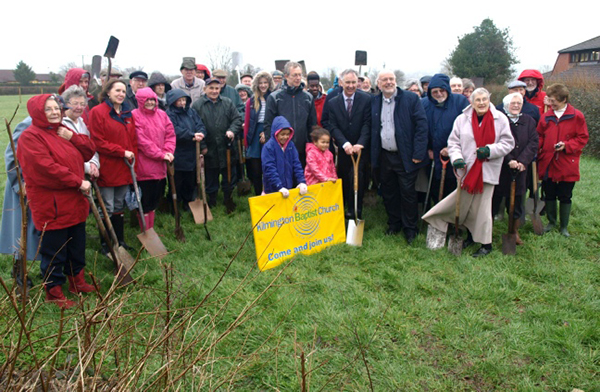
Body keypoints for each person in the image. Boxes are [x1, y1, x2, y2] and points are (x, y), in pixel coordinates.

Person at [17, 94, 96, 308]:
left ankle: (77, 282)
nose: (54, 112)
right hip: (52, 205)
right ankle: (54, 291)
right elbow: (46, 169)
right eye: (48, 109)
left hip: (75, 202)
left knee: (76, 245)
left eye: (56, 108)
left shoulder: (62, 131)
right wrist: (77, 181)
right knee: (55, 251)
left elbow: (89, 151)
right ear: (37, 113)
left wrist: (72, 137)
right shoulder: (30, 138)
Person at [423, 88, 514, 257]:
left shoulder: (499, 119)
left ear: (489, 100)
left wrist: (489, 150)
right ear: (471, 102)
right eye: (477, 100)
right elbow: (454, 142)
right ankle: (468, 235)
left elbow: (508, 143)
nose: (481, 103)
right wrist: (456, 158)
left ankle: (486, 245)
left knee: (483, 209)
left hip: (486, 171)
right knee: (465, 206)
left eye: (484, 99)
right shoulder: (462, 119)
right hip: (466, 171)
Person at [371, 70, 429, 243]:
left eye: (391, 79)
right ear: (379, 84)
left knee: (408, 193)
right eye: (384, 80)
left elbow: (421, 126)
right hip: (385, 155)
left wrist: (418, 152)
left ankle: (410, 229)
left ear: (396, 81)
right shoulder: (375, 101)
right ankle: (394, 224)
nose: (388, 82)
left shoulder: (410, 99)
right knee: (389, 192)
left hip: (405, 155)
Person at [88, 79, 138, 254]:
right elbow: (98, 142)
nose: (121, 94)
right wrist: (121, 151)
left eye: (124, 91)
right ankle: (107, 243)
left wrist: (133, 162)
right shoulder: (98, 112)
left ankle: (120, 241)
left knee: (119, 205)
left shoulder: (127, 113)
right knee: (107, 205)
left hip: (125, 167)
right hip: (108, 167)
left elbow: (133, 141)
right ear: (108, 92)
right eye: (117, 90)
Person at [537, 83, 589, 236]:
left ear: (564, 99)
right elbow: (539, 135)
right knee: (549, 193)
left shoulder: (577, 116)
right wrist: (538, 149)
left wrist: (567, 145)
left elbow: (582, 137)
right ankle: (551, 222)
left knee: (565, 195)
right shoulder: (546, 116)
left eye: (554, 101)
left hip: (567, 162)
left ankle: (563, 227)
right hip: (548, 161)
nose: (551, 104)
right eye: (550, 100)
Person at [491, 93, 538, 244]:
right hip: (501, 168)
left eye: (519, 103)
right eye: (513, 103)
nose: (516, 105)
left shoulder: (528, 121)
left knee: (517, 201)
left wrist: (523, 161)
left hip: (521, 169)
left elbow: (533, 142)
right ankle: (487, 230)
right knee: (494, 199)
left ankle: (513, 232)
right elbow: (496, 141)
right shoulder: (499, 120)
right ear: (506, 106)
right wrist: (509, 160)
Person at [327, 69, 371, 220]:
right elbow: (332, 125)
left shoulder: (366, 99)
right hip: (344, 148)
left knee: (357, 178)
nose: (351, 86)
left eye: (354, 82)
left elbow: (368, 123)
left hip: (360, 149)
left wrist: (360, 144)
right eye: (348, 82)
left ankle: (356, 212)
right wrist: (344, 143)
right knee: (345, 179)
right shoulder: (333, 102)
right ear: (341, 83)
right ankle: (345, 210)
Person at [0, 116, 39, 290]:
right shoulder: (28, 123)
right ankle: (19, 272)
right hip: (23, 185)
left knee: (37, 229)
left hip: (41, 184)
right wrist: (19, 182)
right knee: (21, 228)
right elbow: (11, 154)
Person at [192, 78, 243, 209]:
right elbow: (195, 126)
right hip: (209, 147)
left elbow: (237, 119)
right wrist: (202, 146)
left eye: (217, 88)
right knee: (211, 175)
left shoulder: (227, 102)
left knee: (228, 174)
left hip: (227, 146)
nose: (214, 91)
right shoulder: (198, 106)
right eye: (211, 88)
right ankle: (212, 199)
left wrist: (232, 131)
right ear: (205, 89)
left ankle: (228, 197)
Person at [131, 87, 176, 230]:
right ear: (140, 101)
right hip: (145, 167)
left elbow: (170, 134)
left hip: (161, 166)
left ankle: (151, 229)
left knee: (156, 198)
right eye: (147, 100)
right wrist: (160, 154)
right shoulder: (134, 116)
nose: (150, 103)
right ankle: (146, 230)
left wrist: (168, 151)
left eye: (152, 100)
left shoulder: (162, 115)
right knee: (145, 201)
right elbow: (141, 141)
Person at [421, 74, 470, 202]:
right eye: (435, 91)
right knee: (434, 188)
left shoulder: (460, 101)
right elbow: (419, 128)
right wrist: (427, 149)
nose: (438, 94)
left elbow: (467, 128)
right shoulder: (424, 104)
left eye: (442, 90)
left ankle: (451, 218)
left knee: (452, 187)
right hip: (432, 156)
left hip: (455, 154)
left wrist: (451, 148)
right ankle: (436, 218)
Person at [265, 61, 317, 167]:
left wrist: (312, 145)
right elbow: (268, 124)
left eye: (299, 75)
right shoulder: (275, 97)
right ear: (286, 76)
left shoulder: (308, 97)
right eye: (294, 75)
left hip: (302, 149)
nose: (298, 78)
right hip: (281, 149)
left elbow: (312, 124)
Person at [166, 89, 206, 207]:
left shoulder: (191, 112)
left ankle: (188, 203)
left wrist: (201, 134)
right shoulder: (169, 114)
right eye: (179, 101)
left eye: (184, 100)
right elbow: (174, 130)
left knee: (191, 180)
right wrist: (191, 135)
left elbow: (200, 124)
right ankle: (174, 205)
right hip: (178, 153)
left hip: (192, 152)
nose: (182, 103)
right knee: (177, 181)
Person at [262, 116, 308, 197]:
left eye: (287, 134)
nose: (285, 137)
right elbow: (269, 168)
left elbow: (296, 164)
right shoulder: (268, 147)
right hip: (272, 190)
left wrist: (302, 181)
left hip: (288, 188)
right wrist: (278, 186)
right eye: (282, 134)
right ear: (276, 133)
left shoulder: (291, 145)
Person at [244, 71, 274, 195]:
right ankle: (258, 194)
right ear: (256, 84)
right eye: (260, 83)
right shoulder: (251, 101)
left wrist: (267, 133)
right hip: (254, 133)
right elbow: (247, 122)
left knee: (269, 167)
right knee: (256, 169)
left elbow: (275, 118)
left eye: (265, 82)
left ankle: (270, 192)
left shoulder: (273, 98)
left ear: (269, 84)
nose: (263, 85)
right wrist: (247, 142)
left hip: (270, 132)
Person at [61, 86, 101, 179]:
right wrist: (87, 167)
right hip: (71, 175)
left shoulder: (82, 123)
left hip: (86, 173)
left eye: (82, 104)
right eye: (75, 103)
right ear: (66, 104)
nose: (79, 107)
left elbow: (90, 147)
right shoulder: (62, 124)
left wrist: (93, 163)